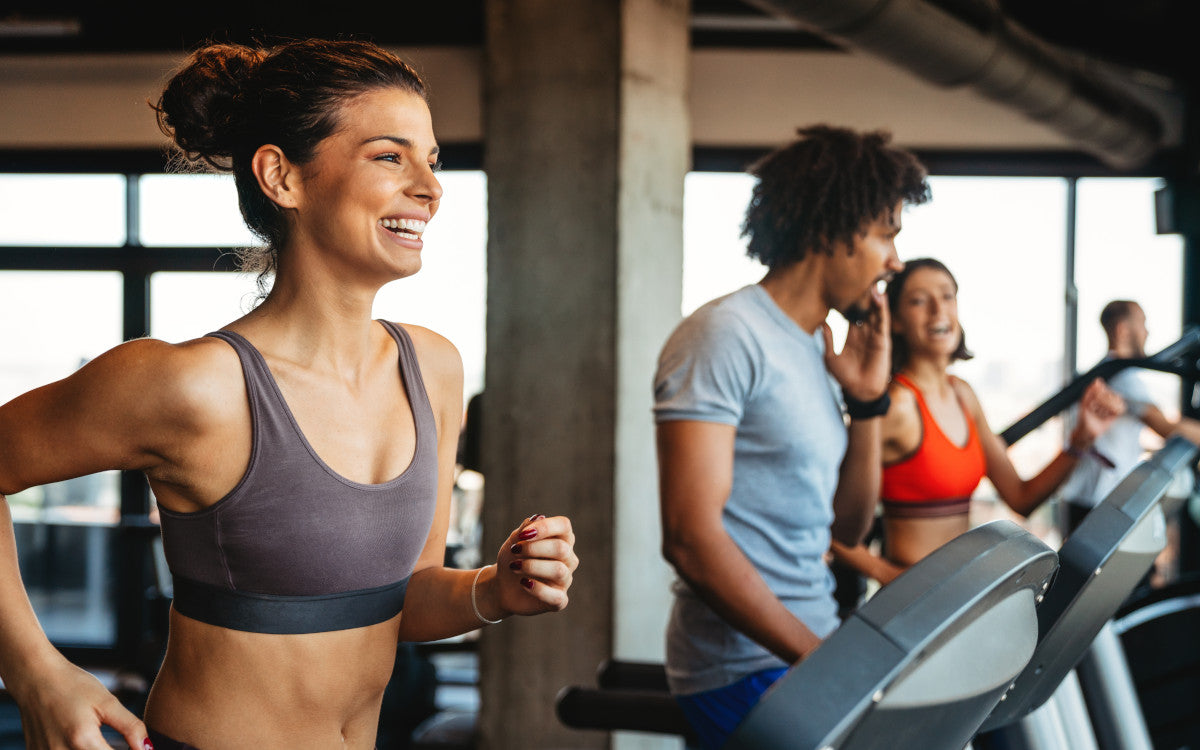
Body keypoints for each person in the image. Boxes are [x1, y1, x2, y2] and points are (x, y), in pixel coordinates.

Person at [0, 39, 578, 750]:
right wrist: (35, 673)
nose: (430, 187)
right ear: (282, 176)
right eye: (390, 156)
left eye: (433, 160)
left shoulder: (433, 368)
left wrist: (492, 589)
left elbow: (406, 596)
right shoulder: (194, 385)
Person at [653, 124, 931, 749]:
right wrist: (825, 664)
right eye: (886, 234)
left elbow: (846, 530)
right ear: (834, 228)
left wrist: (866, 404)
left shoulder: (813, 346)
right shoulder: (725, 335)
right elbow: (690, 539)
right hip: (739, 667)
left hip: (811, 642)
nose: (895, 261)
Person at [829, 258, 1125, 586]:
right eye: (918, 301)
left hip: (960, 594)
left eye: (947, 296)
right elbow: (826, 522)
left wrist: (1081, 440)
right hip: (913, 603)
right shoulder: (897, 405)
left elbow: (1021, 496)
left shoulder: (962, 394)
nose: (938, 310)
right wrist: (890, 576)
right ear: (895, 320)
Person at [1058, 300, 1200, 535]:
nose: (1147, 332)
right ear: (1123, 330)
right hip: (1099, 504)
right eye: (1142, 323)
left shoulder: (1104, 372)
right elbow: (1165, 427)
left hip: (1084, 499)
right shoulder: (1122, 377)